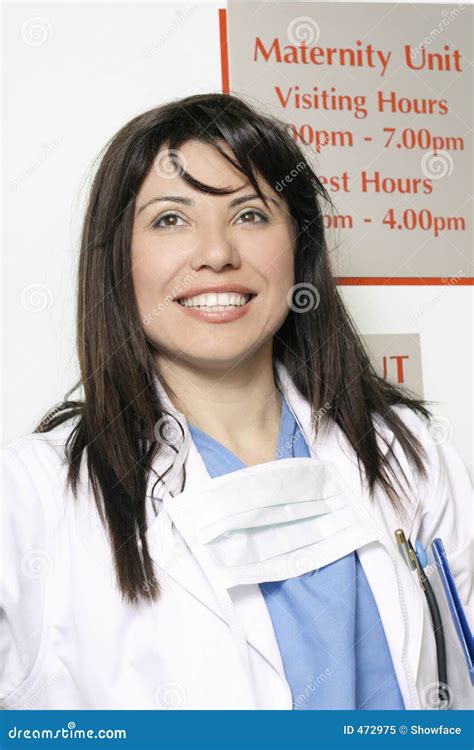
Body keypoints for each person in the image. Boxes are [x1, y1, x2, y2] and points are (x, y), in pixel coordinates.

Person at [1, 93, 472, 711]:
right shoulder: (31, 497)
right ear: (119, 259)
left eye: (250, 214)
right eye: (171, 219)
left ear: (299, 248)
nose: (217, 252)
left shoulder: (408, 457)